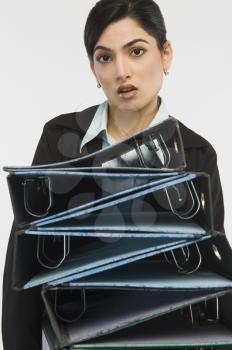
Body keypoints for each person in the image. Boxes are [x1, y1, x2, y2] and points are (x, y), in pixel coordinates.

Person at [2, 0, 225, 349]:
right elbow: (26, 255)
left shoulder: (196, 153)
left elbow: (209, 266)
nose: (122, 70)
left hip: (160, 337)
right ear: (93, 69)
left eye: (136, 51)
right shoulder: (60, 139)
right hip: (70, 335)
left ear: (165, 55)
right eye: (105, 57)